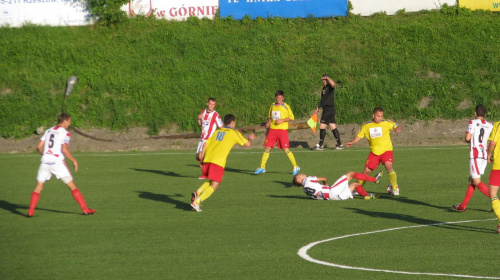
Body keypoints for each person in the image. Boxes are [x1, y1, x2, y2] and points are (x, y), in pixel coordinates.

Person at [27, 113, 95, 217]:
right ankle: (85, 209)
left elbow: (39, 147)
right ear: (66, 120)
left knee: (38, 187)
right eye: (69, 121)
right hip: (57, 163)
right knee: (72, 186)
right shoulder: (65, 133)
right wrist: (74, 160)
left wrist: (45, 154)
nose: (70, 123)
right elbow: (64, 149)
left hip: (45, 162)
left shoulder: (48, 130)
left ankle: (30, 211)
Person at [191, 114, 255, 212]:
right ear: (233, 122)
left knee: (213, 181)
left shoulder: (217, 131)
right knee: (215, 185)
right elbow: (247, 144)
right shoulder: (234, 132)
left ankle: (197, 192)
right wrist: (250, 138)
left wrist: (202, 159)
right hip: (218, 161)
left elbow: (205, 144)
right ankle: (196, 202)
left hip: (208, 158)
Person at [345, 107, 403, 196]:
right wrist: (352, 142)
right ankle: (358, 188)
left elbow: (397, 125)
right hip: (374, 152)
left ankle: (395, 188)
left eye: (381, 116)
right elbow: (360, 135)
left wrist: (398, 128)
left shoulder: (386, 122)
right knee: (366, 172)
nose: (380, 118)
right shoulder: (366, 126)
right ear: (373, 115)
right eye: (378, 116)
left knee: (389, 166)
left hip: (386, 150)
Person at [453, 105, 492, 212]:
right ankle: (463, 205)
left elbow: (467, 138)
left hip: (475, 155)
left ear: (475, 113)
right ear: (485, 114)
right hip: (484, 155)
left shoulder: (473, 122)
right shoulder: (489, 125)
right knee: (471, 180)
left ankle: (496, 201)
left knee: (476, 181)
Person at [254, 90, 300, 175]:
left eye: (280, 97)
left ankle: (295, 166)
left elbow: (291, 117)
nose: (279, 99)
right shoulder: (272, 105)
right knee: (267, 148)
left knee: (285, 149)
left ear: (283, 98)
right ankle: (262, 167)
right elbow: (271, 117)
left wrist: (282, 120)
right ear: (275, 97)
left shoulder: (286, 106)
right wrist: (268, 122)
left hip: (282, 130)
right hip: (272, 130)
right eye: (277, 97)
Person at [292, 170, 383, 200]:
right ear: (299, 180)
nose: (301, 174)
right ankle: (375, 180)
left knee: (355, 184)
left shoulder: (305, 191)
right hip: (332, 191)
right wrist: (326, 185)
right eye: (299, 175)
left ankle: (367, 196)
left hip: (335, 198)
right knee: (351, 173)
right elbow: (324, 179)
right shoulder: (307, 179)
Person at [313, 74, 343, 150]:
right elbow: (322, 99)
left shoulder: (330, 87)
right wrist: (318, 107)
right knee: (332, 126)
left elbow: (333, 84)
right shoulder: (324, 88)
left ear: (327, 79)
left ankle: (320, 145)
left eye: (324, 79)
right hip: (327, 109)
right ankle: (339, 144)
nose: (323, 81)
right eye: (322, 79)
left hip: (329, 109)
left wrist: (327, 77)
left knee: (322, 126)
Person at [196, 97, 224, 176]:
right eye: (210, 104)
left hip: (209, 139)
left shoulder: (216, 115)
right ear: (207, 104)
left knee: (202, 156)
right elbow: (200, 124)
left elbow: (222, 126)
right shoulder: (203, 111)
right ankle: (209, 164)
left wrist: (224, 135)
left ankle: (206, 172)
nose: (212, 106)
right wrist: (198, 118)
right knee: (198, 157)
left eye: (213, 104)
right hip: (202, 138)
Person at [488, 120, 500, 233]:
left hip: (498, 166)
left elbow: (492, 143)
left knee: (493, 193)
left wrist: (489, 153)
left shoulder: (498, 124)